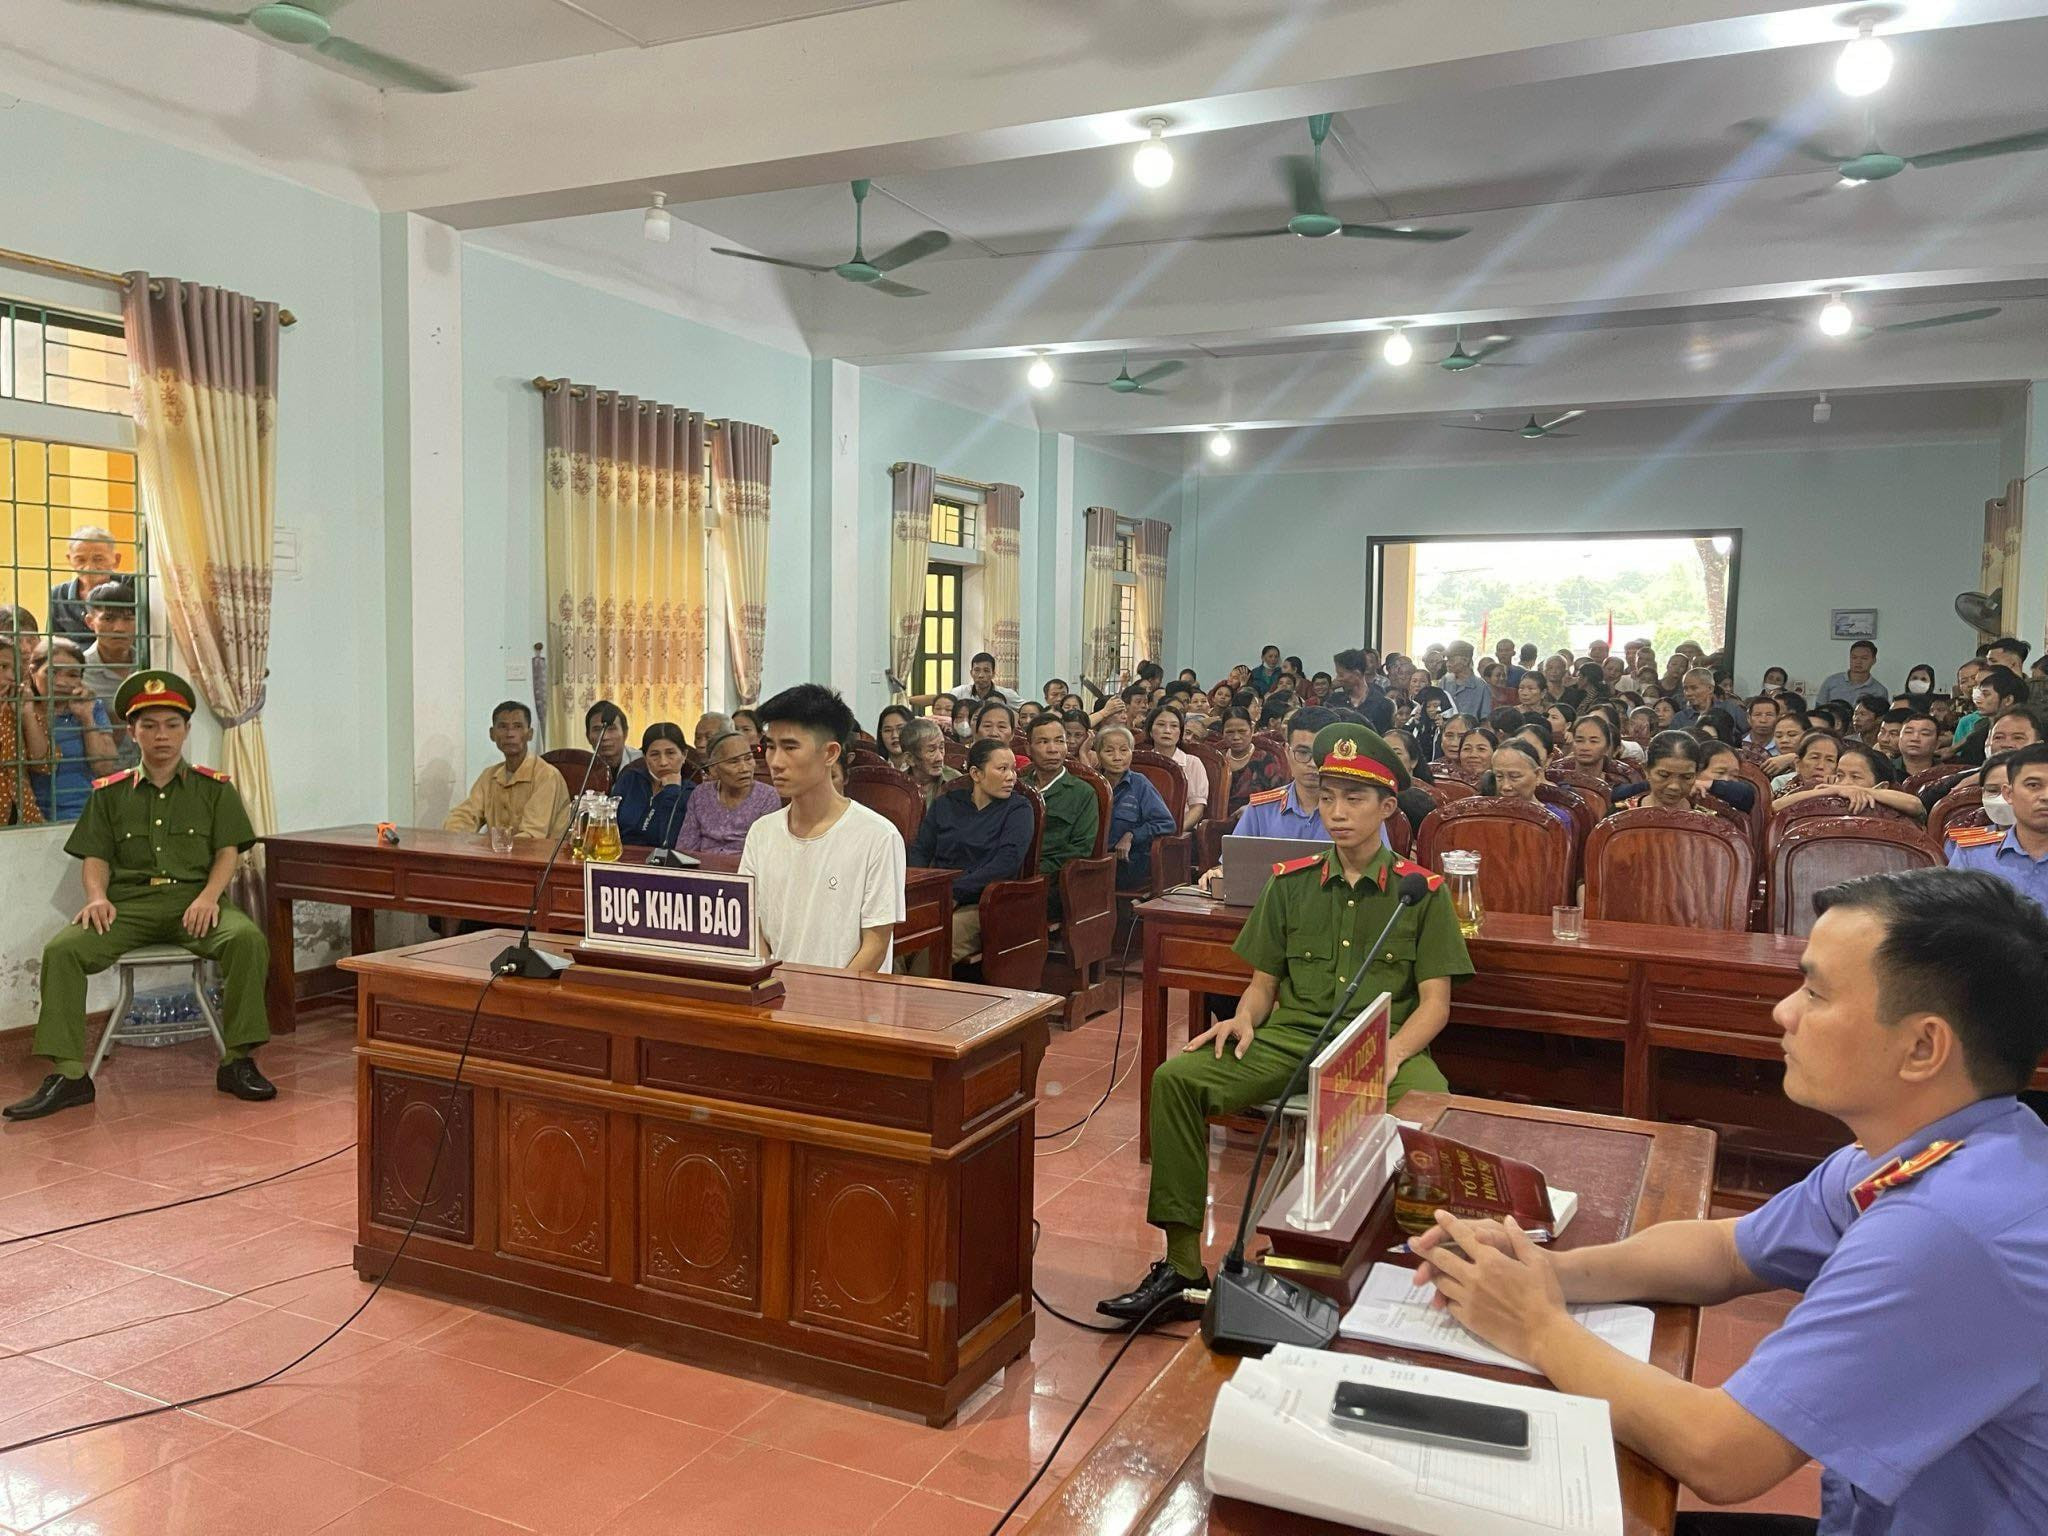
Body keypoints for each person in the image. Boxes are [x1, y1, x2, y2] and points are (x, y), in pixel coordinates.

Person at [1408, 867, 2048, 1534]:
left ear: (1921, 1047)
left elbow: (1722, 1453)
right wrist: (1550, 1272)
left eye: (1815, 993)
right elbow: (1726, 1251)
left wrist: (1537, 1325)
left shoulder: (1948, 1233)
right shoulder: (1940, 1148)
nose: (1783, 1012)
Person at [1100, 722, 1473, 1322]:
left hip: (1382, 1045)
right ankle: (1182, 1268)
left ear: (1387, 807)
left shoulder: (1420, 892)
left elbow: (1435, 1004)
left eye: (1355, 799)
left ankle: (1410, 1281)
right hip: (1293, 1039)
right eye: (1328, 798)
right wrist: (1245, 1020)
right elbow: (1262, 984)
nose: (1337, 813)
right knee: (1176, 1080)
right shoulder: (1291, 883)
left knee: (1431, 1113)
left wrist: (1395, 1054)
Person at [6, 670, 276, 1121]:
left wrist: (210, 896)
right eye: (149, 726)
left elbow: (227, 852)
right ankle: (69, 1075)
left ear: (186, 731)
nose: (161, 735)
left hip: (196, 904)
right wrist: (96, 897)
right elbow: (95, 857)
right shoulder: (109, 795)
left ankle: (238, 1061)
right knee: (63, 951)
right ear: (132, 732)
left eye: (171, 725)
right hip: (128, 908)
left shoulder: (214, 789)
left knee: (246, 939)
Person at [740, 684, 904, 971]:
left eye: (790, 747)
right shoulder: (761, 833)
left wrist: (825, 994)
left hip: (848, 996)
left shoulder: (877, 836)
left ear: (830, 753)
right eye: (770, 747)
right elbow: (753, 926)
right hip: (776, 992)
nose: (775, 762)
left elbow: (876, 944)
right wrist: (771, 982)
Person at [909, 737, 1033, 963]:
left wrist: (955, 891)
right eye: (1002, 769)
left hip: (982, 902)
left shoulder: (1018, 809)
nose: (1011, 777)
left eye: (1013, 769)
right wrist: (919, 890)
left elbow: (1006, 863)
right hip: (938, 895)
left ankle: (913, 988)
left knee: (933, 949)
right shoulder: (947, 804)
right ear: (976, 774)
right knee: (893, 938)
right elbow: (921, 850)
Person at [444, 701, 572, 840]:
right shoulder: (490, 776)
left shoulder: (547, 776)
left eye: (517, 726)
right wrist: (453, 837)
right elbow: (465, 815)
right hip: (498, 850)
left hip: (541, 852)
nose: (510, 734)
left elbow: (533, 834)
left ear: (529, 734)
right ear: (492, 734)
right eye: (503, 727)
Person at [1944, 742, 2048, 907]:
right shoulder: (1973, 853)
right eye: (2033, 785)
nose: (2045, 796)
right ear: (2009, 794)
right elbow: (1951, 914)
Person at [27, 637, 119, 819]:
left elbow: (104, 767)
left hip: (84, 813)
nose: (61, 682)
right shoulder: (21, 709)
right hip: (31, 817)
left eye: (72, 675)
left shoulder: (92, 707)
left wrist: (86, 717)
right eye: (52, 672)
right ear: (33, 672)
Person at [1231, 705, 1338, 843]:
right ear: (1287, 752)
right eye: (1303, 752)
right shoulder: (1261, 809)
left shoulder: (1353, 811)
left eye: (1321, 754)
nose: (1312, 763)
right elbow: (1235, 856)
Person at [1095, 724, 1177, 892]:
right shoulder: (1093, 784)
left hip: (1127, 861)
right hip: (1094, 858)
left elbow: (1166, 823)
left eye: (1124, 750)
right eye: (1109, 751)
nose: (1117, 757)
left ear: (1131, 752)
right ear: (1098, 755)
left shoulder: (1140, 784)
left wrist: (1132, 835)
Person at [673, 728, 779, 855]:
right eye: (734, 761)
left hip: (745, 866)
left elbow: (764, 853)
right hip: (703, 865)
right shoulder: (700, 794)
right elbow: (685, 848)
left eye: (748, 758)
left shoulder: (767, 797)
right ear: (713, 768)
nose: (744, 768)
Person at [1022, 713, 1100, 884]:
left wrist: (1034, 871)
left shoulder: (1083, 793)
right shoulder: (1018, 788)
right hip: (1011, 871)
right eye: (1043, 742)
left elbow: (1081, 849)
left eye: (1059, 741)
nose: (1053, 749)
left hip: (1053, 880)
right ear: (1028, 748)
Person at [1776, 742, 1926, 821]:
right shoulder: (1825, 789)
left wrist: (1862, 791)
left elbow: (1915, 805)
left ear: (1882, 786)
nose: (1845, 783)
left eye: (1855, 777)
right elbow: (1775, 807)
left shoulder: (1893, 798)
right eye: (1840, 775)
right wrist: (1832, 790)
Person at [79, 577, 140, 769]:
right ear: (90, 622)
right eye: (108, 619)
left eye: (128, 619)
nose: (119, 628)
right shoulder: (79, 673)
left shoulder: (150, 664)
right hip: (99, 775)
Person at [615, 723, 692, 847]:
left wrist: (672, 790)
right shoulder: (630, 780)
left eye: (670, 753)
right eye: (654, 755)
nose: (663, 762)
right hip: (622, 854)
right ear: (645, 757)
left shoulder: (692, 793)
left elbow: (669, 842)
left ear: (684, 755)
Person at [46, 524, 121, 645]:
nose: (89, 567)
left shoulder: (131, 586)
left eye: (98, 559)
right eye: (80, 560)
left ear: (116, 560)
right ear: (69, 560)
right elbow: (53, 643)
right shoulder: (58, 594)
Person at [1, 641, 49, 826]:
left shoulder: (15, 708)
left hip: (23, 817)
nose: (11, 676)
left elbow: (43, 764)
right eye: (2, 667)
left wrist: (27, 714)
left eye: (14, 669)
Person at [1145, 705, 1208, 830]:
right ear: (1150, 731)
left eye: (1174, 726)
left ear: (1180, 733)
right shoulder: (1142, 762)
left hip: (1181, 832)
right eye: (1161, 725)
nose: (1167, 730)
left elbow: (1197, 808)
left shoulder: (1193, 763)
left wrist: (1176, 831)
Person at [1489, 738, 1572, 832]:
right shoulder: (1485, 816)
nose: (1505, 786)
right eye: (1499, 776)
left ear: (1537, 775)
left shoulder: (1556, 820)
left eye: (1515, 776)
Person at [1216, 706, 1284, 814]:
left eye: (1242, 731)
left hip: (1257, 819)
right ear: (1222, 733)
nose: (1236, 737)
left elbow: (1278, 798)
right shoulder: (1216, 760)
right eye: (1230, 732)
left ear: (1252, 730)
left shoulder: (1267, 760)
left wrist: (1252, 809)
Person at [907, 650, 1020, 712]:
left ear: (993, 673)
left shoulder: (1006, 694)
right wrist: (907, 699)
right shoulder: (961, 692)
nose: (981, 675)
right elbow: (938, 699)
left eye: (986, 671)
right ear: (971, 673)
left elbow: (1026, 709)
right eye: (977, 670)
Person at [897, 717, 958, 805]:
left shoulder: (957, 782)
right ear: (910, 758)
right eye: (931, 751)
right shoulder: (896, 786)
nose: (940, 758)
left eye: (941, 748)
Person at [1814, 639, 1888, 707]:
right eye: (1854, 657)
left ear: (1874, 660)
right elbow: (1819, 710)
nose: (1858, 662)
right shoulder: (1831, 682)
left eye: (1864, 658)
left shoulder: (1879, 691)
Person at [1772, 732, 1841, 799]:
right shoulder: (1781, 794)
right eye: (1814, 758)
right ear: (1798, 763)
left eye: (1830, 760)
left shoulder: (1842, 793)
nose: (1820, 766)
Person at [1438, 641, 1492, 722]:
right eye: (1447, 660)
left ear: (1465, 660)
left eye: (1451, 660)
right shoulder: (1444, 681)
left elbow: (1485, 719)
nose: (1447, 664)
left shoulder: (1481, 687)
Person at [584, 700, 637, 780]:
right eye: (597, 730)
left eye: (611, 729)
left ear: (625, 733)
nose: (604, 737)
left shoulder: (642, 764)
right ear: (588, 736)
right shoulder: (583, 769)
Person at [1893, 710, 1941, 780]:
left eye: (1924, 734)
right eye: (1908, 732)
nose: (1915, 738)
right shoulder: (1883, 770)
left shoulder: (1948, 773)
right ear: (1899, 739)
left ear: (1937, 744)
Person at [876, 703, 914, 771]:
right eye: (888, 730)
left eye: (900, 729)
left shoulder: (923, 768)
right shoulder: (875, 767)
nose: (894, 735)